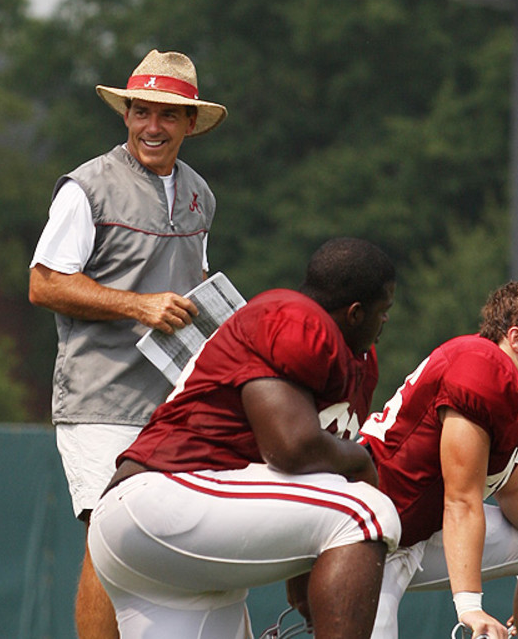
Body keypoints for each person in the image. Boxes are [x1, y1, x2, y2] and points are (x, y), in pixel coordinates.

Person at [87, 237, 401, 639]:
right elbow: (291, 448)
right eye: (383, 311)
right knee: (367, 512)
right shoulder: (292, 316)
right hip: (164, 496)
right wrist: (360, 461)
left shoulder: (352, 359)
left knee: (355, 509)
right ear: (356, 313)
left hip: (163, 551)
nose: (385, 322)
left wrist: (309, 559)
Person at [27, 48, 227, 638]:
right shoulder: (86, 186)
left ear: (191, 124)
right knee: (109, 542)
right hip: (99, 401)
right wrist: (138, 305)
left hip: (174, 407)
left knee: (171, 554)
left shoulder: (200, 195)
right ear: (126, 115)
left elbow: (197, 291)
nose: (153, 127)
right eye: (142, 112)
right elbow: (43, 283)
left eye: (167, 115)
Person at [359, 279, 518, 639]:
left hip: (420, 531)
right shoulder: (481, 369)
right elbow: (462, 500)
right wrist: (470, 607)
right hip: (374, 538)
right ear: (516, 338)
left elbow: (512, 488)